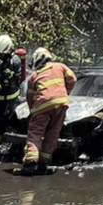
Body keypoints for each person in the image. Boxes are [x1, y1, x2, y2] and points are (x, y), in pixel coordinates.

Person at [19, 47, 76, 176]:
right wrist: (65, 92)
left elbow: (30, 97)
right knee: (53, 133)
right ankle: (43, 163)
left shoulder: (34, 76)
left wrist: (32, 111)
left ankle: (30, 163)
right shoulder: (60, 66)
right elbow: (72, 79)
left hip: (42, 107)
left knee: (35, 133)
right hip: (61, 104)